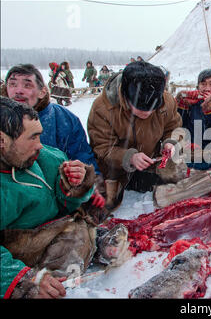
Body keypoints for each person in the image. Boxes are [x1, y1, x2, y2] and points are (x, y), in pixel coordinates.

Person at [0, 97, 129, 299]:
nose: (40, 145)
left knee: (77, 231)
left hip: (56, 228)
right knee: (73, 242)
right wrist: (20, 279)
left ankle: (91, 241)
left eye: (40, 136)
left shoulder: (48, 157)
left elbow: (67, 204)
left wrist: (75, 186)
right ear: (2, 140)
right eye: (32, 138)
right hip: (20, 246)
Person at [1, 64, 105, 208]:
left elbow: (83, 158)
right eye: (12, 84)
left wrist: (92, 186)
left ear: (42, 91)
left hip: (58, 199)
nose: (18, 91)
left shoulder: (64, 119)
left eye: (27, 85)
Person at [87, 61, 182, 211]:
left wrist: (170, 142)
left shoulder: (167, 101)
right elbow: (102, 148)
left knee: (177, 191)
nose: (147, 113)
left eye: (152, 108)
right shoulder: (103, 108)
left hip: (153, 163)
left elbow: (174, 127)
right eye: (140, 107)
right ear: (125, 95)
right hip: (117, 169)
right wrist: (129, 157)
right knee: (102, 205)